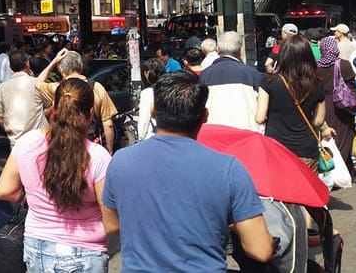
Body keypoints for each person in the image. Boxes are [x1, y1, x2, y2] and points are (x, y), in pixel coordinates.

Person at [101, 70, 273, 271]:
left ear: (153, 111)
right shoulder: (229, 169)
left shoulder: (121, 161)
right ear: (205, 116)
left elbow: (111, 226)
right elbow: (261, 250)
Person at [0, 78, 112, 272]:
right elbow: (112, 223)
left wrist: (34, 198)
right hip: (86, 252)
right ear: (90, 115)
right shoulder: (98, 157)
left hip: (37, 248)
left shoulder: (27, 143)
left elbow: (4, 191)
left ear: (53, 109)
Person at [255, 35, 328, 168]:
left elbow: (259, 118)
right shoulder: (316, 83)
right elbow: (318, 121)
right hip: (306, 148)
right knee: (306, 188)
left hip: (277, 147)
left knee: (281, 188)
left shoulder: (269, 81)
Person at [36, 49, 119, 154]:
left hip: (64, 147)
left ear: (61, 69)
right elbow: (108, 124)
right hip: (91, 146)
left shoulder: (58, 88)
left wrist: (53, 62)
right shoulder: (97, 87)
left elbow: (37, 83)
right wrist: (109, 151)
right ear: (80, 67)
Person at [317, 36, 356, 175]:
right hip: (342, 106)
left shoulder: (316, 66)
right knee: (344, 138)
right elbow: (353, 89)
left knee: (327, 138)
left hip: (322, 106)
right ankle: (340, 171)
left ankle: (339, 169)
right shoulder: (343, 64)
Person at [200, 31, 264, 132]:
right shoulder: (253, 74)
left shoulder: (205, 75)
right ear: (240, 50)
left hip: (213, 133)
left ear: (218, 49)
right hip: (246, 133)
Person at [0, 50, 49, 146]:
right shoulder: (37, 84)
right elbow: (47, 107)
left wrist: (10, 130)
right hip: (39, 140)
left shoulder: (2, 87)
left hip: (16, 141)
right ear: (27, 64)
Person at [136, 58, 166, 141]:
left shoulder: (147, 93)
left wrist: (141, 137)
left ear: (148, 73)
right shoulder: (171, 89)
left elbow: (144, 120)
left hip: (154, 136)